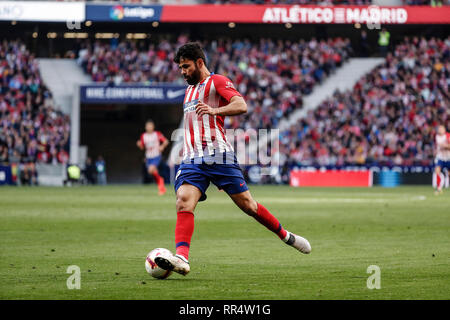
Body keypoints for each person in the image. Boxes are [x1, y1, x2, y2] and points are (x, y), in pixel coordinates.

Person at [154, 42, 311, 276]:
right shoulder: (188, 90)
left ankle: (286, 236)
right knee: (183, 201)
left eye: (186, 67)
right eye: (180, 68)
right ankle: (182, 258)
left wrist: (215, 111)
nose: (183, 72)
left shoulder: (217, 81)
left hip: (219, 156)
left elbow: (241, 104)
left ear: (200, 63)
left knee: (248, 206)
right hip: (192, 160)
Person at [136, 119, 169, 195]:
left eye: (150, 126)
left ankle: (161, 183)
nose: (149, 127)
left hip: (156, 156)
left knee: (151, 169)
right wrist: (139, 144)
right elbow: (142, 147)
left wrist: (162, 146)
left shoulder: (157, 134)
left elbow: (166, 141)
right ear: (145, 127)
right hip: (148, 157)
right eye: (147, 126)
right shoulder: (143, 136)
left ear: (153, 127)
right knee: (152, 172)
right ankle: (161, 186)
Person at [433, 125, 450, 195]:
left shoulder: (448, 136)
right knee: (437, 171)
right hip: (440, 157)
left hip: (448, 157)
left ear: (444, 129)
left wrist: (445, 146)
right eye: (439, 129)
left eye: (441, 128)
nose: (439, 130)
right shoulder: (436, 137)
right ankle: (439, 188)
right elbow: (438, 146)